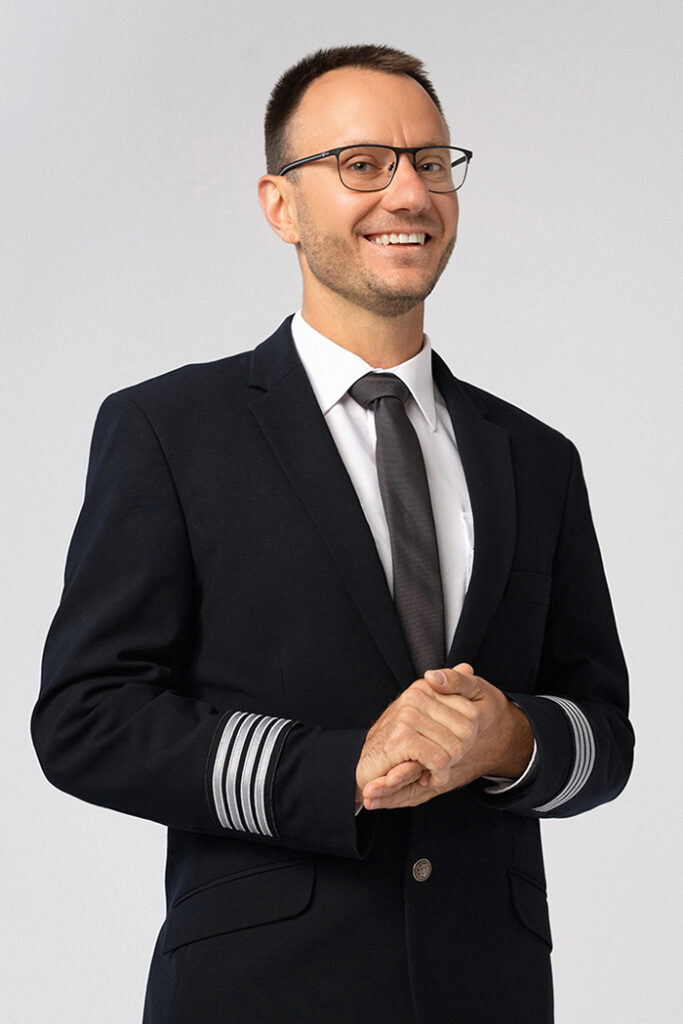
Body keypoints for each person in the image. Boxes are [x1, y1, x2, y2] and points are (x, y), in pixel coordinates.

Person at [32, 44, 633, 1024]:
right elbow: (85, 719)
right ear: (281, 205)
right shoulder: (172, 430)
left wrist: (509, 739)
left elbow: (604, 734)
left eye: (430, 162)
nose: (409, 192)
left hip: (489, 989)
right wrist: (337, 767)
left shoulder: (535, 458)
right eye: (362, 164)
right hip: (259, 990)